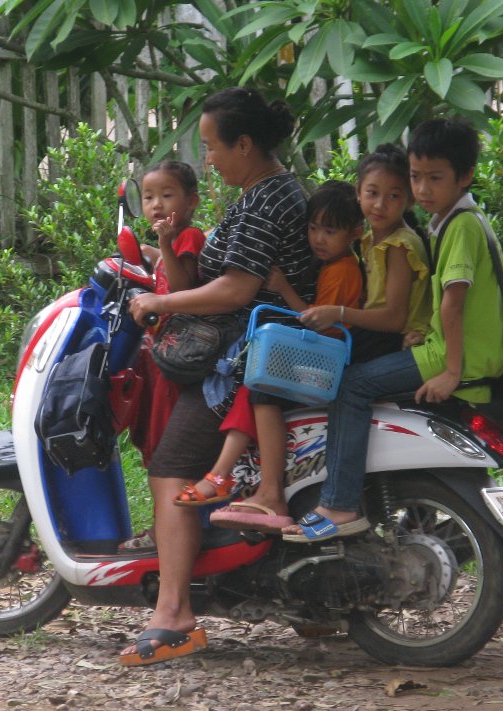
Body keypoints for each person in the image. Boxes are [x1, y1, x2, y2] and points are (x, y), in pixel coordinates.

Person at [121, 87, 311, 665]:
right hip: (254, 351)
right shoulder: (270, 192)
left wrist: (162, 306)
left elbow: (235, 289)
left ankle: (174, 614)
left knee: (171, 465)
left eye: (211, 147)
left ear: (245, 145)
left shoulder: (264, 202)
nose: (208, 159)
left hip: (240, 359)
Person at [282, 118, 503, 543]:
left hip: (453, 355)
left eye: (434, 179)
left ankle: (339, 503)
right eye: (417, 178)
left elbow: (453, 303)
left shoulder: (455, 227)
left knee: (351, 386)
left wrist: (451, 372)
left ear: (464, 177)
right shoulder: (448, 220)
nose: (423, 190)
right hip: (444, 346)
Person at [212, 143, 432, 530]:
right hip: (367, 335)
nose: (381, 203)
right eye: (372, 193)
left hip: (381, 339)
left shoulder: (399, 245)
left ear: (410, 197)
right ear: (359, 193)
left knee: (266, 386)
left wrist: (335, 312)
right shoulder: (370, 242)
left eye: (394, 195)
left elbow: (394, 317)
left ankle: (273, 492)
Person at [172, 180, 364, 507]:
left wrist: (283, 287)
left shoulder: (341, 271)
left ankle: (227, 476)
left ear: (356, 232)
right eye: (314, 228)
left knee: (259, 385)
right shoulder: (333, 264)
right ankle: (229, 474)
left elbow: (318, 321)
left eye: (330, 231)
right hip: (320, 352)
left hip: (324, 358)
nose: (318, 238)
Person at [121, 161, 206, 552]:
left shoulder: (189, 237)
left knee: (165, 448)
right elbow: (165, 269)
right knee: (155, 444)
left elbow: (184, 285)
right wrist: (152, 251)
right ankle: (163, 529)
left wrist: (167, 247)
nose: (156, 205)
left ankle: (164, 534)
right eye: (149, 197)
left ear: (191, 201)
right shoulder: (176, 239)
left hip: (177, 357)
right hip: (161, 353)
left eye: (166, 195)